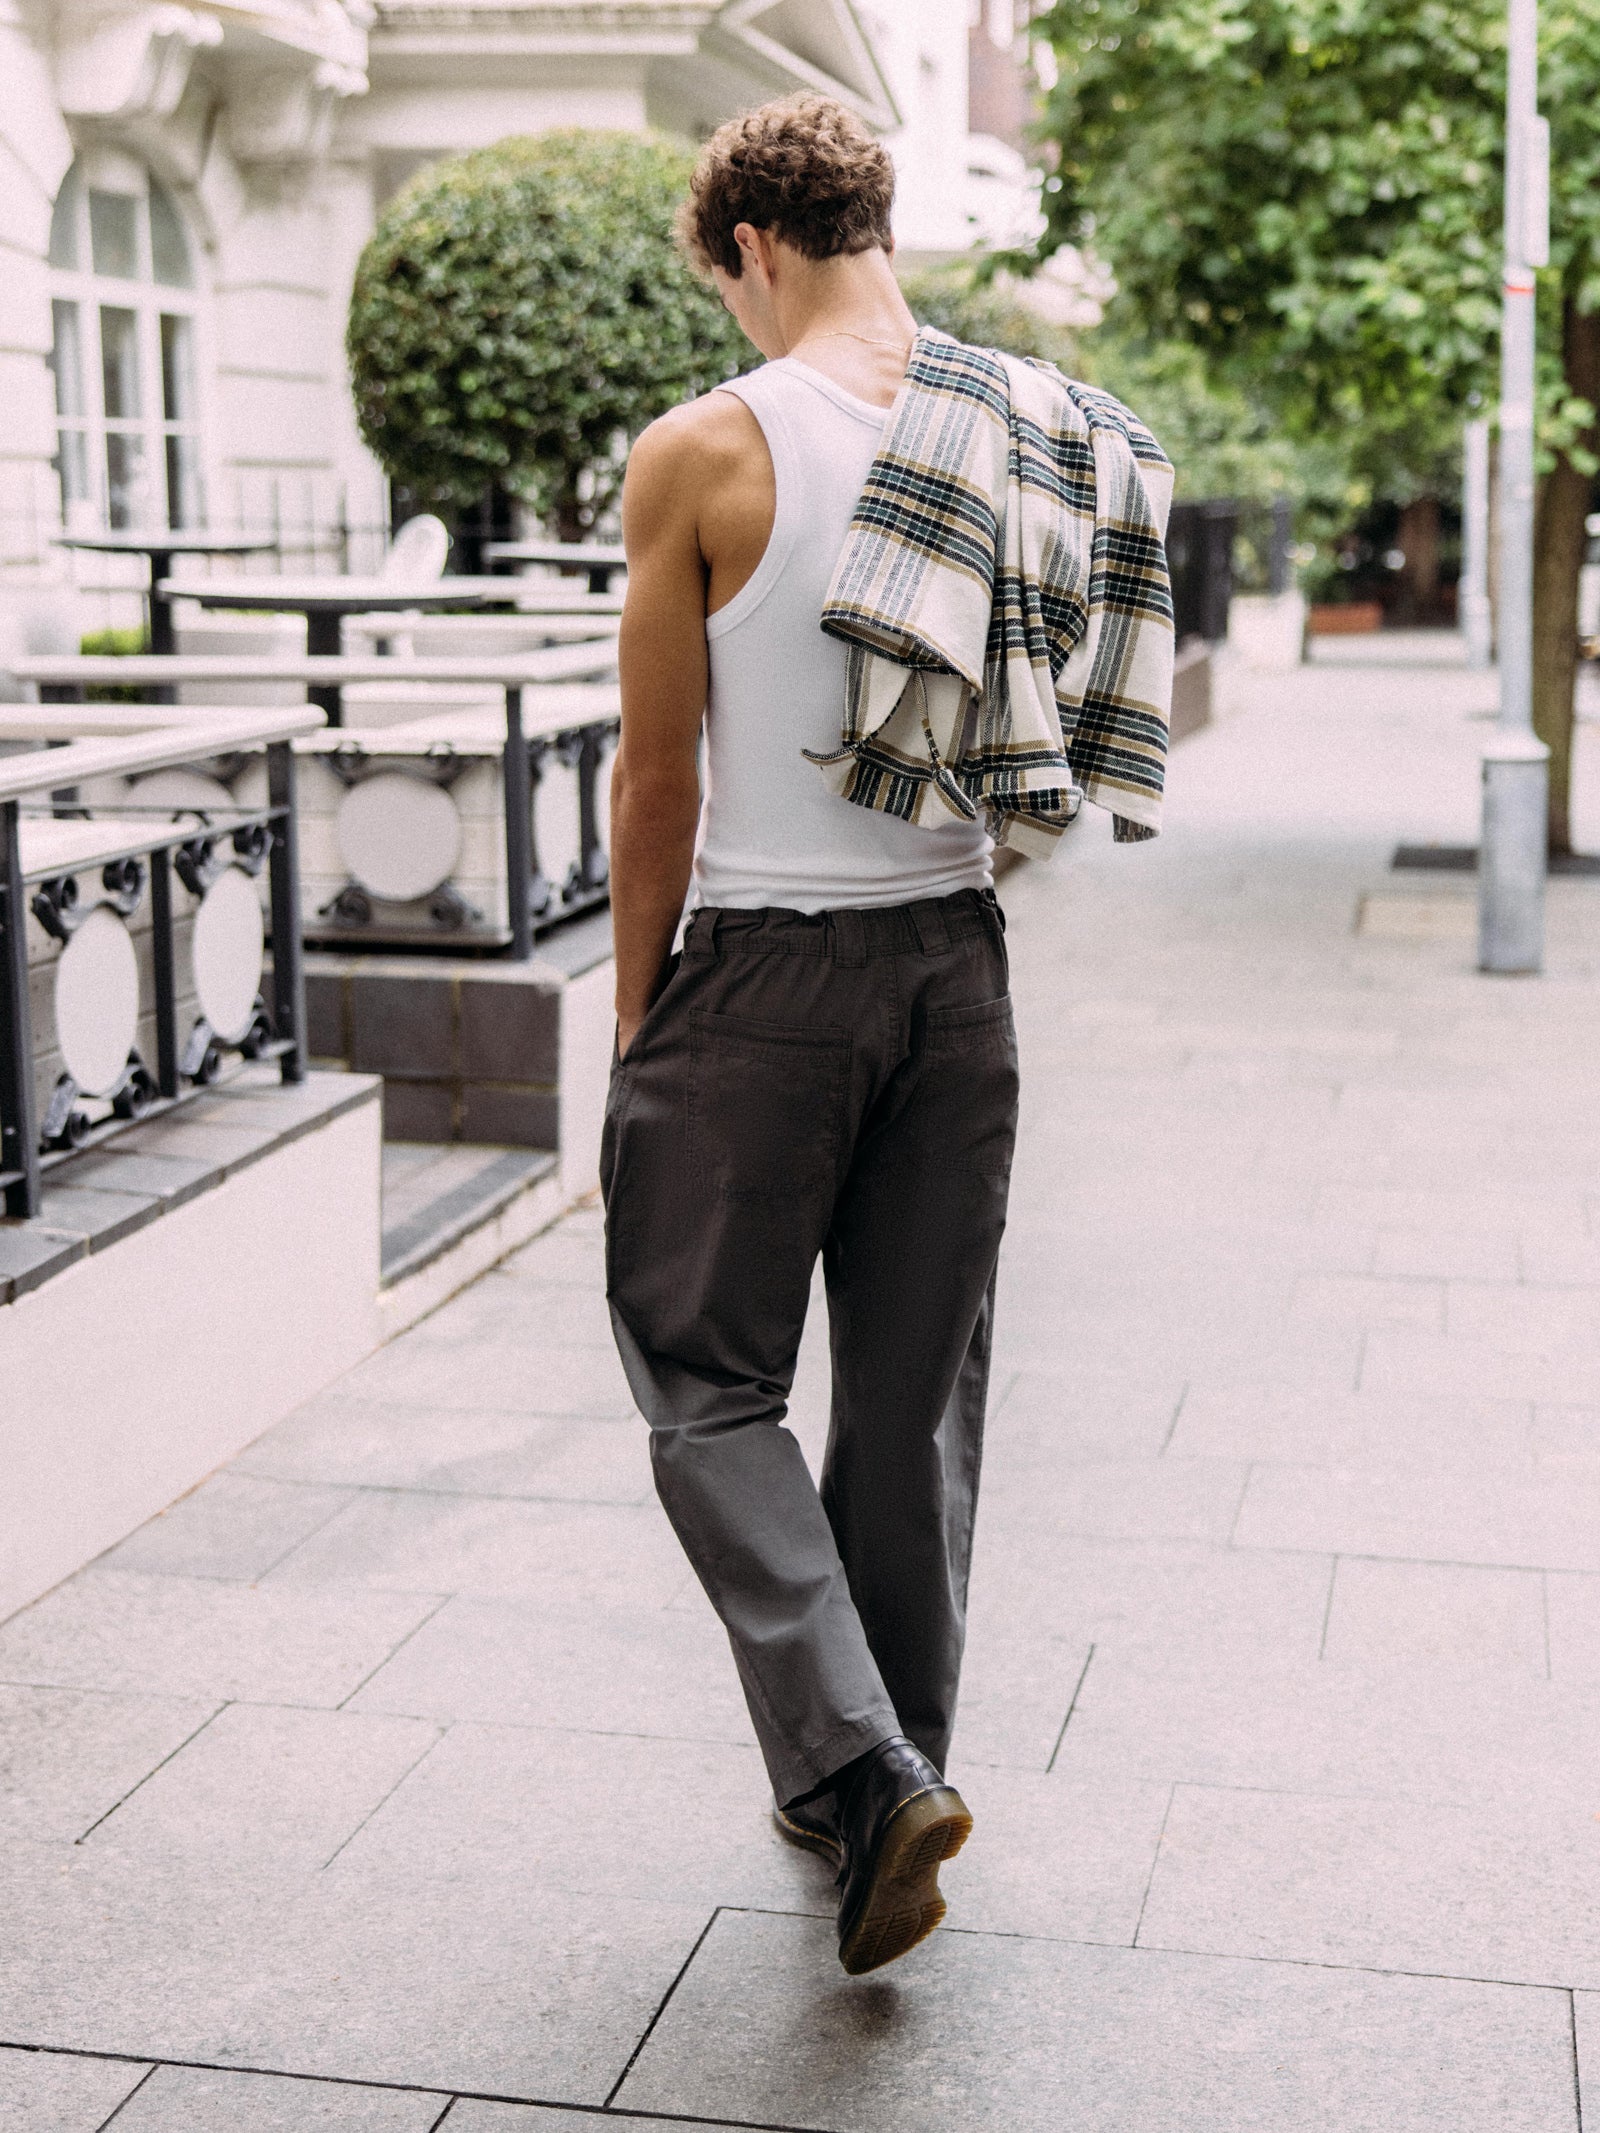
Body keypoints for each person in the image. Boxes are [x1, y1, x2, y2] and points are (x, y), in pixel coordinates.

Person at [602, 93, 1173, 1977]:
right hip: (956, 968)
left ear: (752, 248)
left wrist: (639, 1028)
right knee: (913, 1399)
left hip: (763, 980)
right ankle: (888, 1780)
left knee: (702, 1374)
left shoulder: (702, 451)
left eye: (729, 289)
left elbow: (657, 779)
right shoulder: (1030, 426)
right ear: (875, 223)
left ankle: (855, 1759)